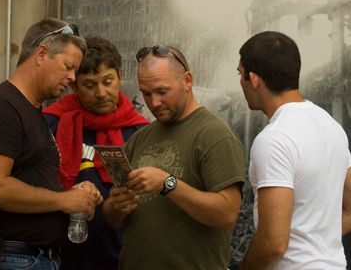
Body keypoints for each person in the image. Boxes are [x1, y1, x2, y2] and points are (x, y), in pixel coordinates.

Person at [0, 18, 103, 270]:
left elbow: (31, 181)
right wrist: (64, 201)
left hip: (33, 259)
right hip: (12, 258)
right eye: (68, 66)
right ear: (41, 54)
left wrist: (72, 196)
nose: (73, 78)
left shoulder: (32, 112)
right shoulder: (1, 107)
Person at [103, 44, 245, 270]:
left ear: (187, 81)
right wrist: (117, 205)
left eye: (162, 91)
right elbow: (112, 218)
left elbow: (227, 214)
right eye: (146, 93)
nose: (154, 102)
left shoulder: (215, 135)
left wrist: (167, 183)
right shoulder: (140, 138)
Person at [237, 30, 351, 270]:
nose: (240, 82)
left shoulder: (274, 138)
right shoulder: (331, 127)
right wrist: (314, 240)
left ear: (254, 79)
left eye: (240, 74)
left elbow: (273, 245)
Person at [43, 35, 149, 270]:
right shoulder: (51, 123)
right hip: (57, 257)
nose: (101, 93)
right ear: (73, 84)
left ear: (121, 76)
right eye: (90, 85)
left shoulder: (141, 131)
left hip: (121, 257)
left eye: (107, 81)